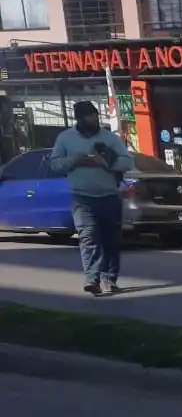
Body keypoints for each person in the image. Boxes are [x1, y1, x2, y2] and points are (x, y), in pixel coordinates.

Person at [49, 100, 135, 296]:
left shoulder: (109, 138)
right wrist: (74, 160)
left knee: (110, 240)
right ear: (79, 119)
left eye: (95, 115)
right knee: (89, 237)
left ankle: (108, 279)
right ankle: (92, 279)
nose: (93, 119)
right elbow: (55, 164)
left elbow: (128, 162)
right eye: (89, 116)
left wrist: (103, 162)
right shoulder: (65, 138)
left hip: (109, 196)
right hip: (82, 198)